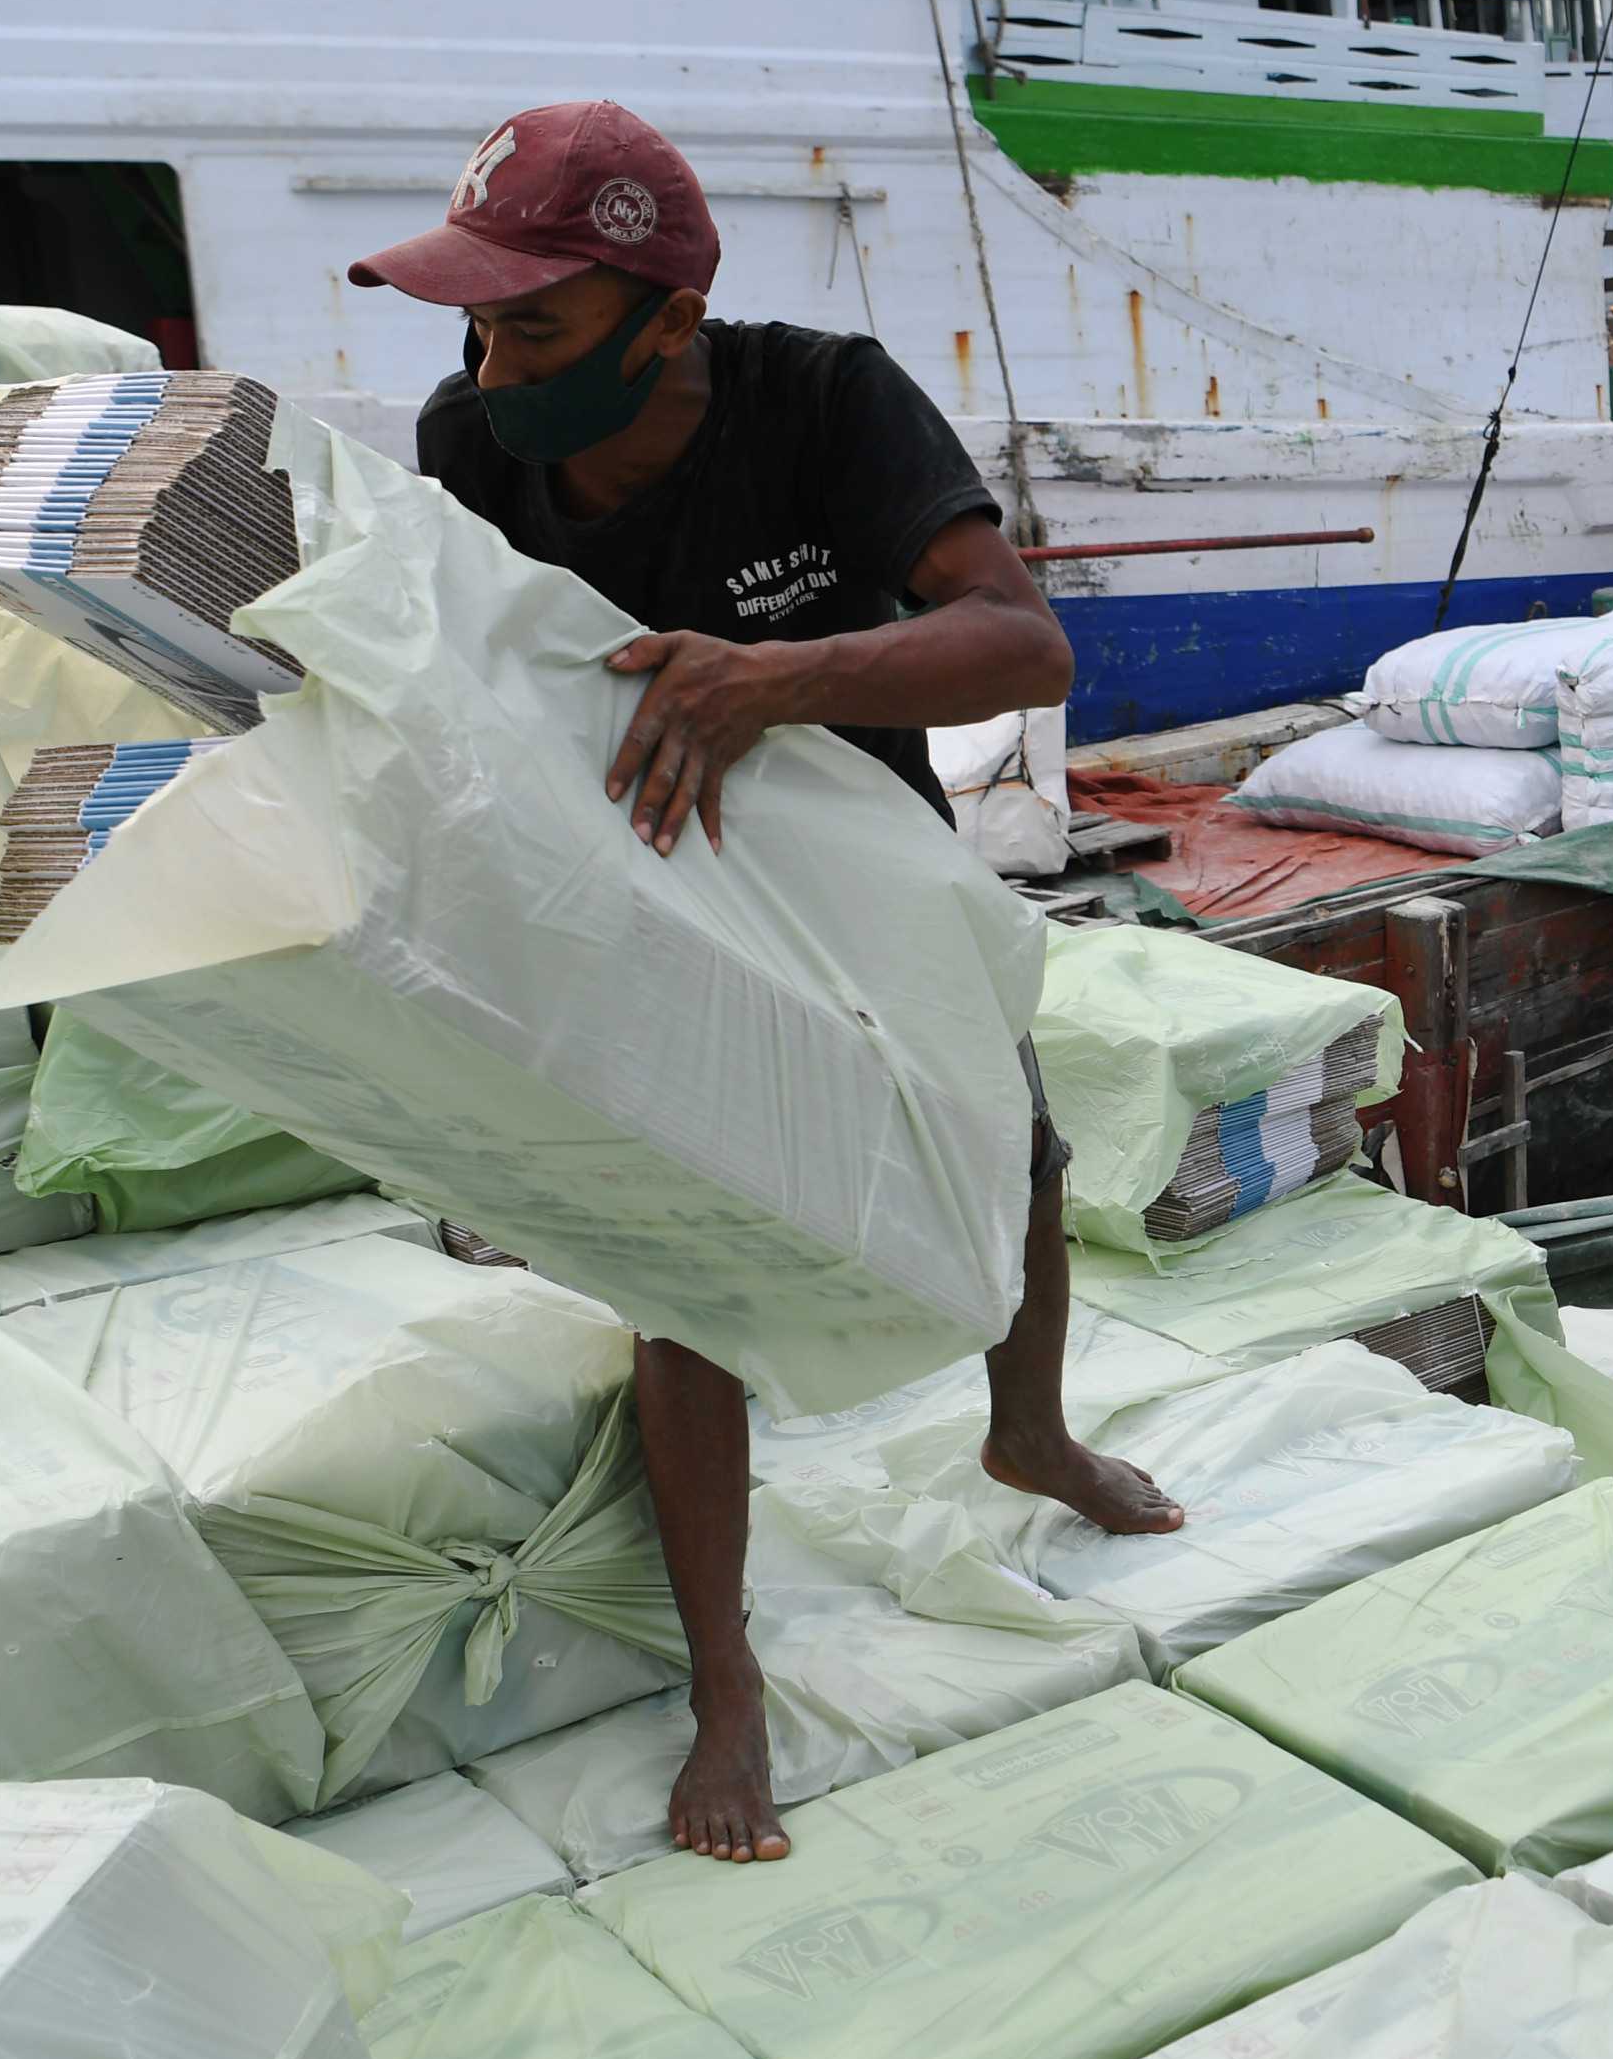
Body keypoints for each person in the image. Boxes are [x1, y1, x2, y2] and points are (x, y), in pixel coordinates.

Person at [349, 100, 1180, 1864]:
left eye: (535, 328)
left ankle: (1030, 1435)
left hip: (855, 868)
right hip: (634, 884)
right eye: (477, 327)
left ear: (669, 315)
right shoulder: (467, 443)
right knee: (690, 1263)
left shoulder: (823, 401)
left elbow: (1021, 643)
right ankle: (726, 1676)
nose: (494, 369)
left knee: (1010, 1151)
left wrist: (777, 677)